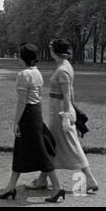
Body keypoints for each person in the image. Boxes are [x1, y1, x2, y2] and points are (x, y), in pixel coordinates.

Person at [26, 39, 99, 193]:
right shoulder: (64, 67)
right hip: (59, 110)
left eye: (51, 48)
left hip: (60, 112)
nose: (49, 49)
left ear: (54, 51)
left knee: (59, 145)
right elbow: (70, 94)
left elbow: (67, 95)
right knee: (54, 145)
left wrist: (66, 116)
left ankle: (90, 179)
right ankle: (42, 179)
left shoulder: (62, 70)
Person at [0, 43, 65, 203]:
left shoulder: (23, 75)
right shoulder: (37, 73)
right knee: (22, 151)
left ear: (22, 58)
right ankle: (10, 187)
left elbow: (22, 102)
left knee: (40, 153)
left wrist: (16, 122)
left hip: (27, 115)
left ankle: (57, 187)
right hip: (36, 113)